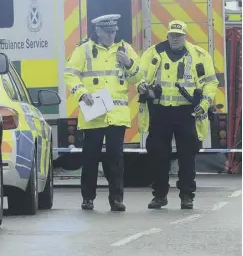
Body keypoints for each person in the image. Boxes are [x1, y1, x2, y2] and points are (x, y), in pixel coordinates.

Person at [64, 14, 143, 211]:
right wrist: (81, 94)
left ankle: (116, 199)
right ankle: (88, 198)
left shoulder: (125, 49)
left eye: (114, 32)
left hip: (116, 115)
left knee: (115, 159)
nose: (111, 36)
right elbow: (70, 75)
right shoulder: (84, 50)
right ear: (98, 31)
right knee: (90, 158)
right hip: (93, 114)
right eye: (108, 32)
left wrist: (129, 64)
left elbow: (139, 76)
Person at [138, 20, 218, 210]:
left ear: (185, 36)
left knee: (187, 156)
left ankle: (187, 196)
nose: (175, 39)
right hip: (160, 111)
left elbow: (211, 82)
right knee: (158, 155)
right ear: (167, 35)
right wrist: (141, 86)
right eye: (172, 35)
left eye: (179, 35)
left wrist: (205, 103)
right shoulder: (154, 53)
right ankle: (159, 196)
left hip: (187, 112)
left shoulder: (199, 55)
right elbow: (140, 76)